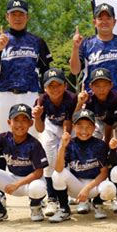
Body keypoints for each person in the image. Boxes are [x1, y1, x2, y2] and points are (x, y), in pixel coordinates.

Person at [0, 0, 52, 198]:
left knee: (33, 141)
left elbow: (48, 71)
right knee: (2, 142)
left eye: (21, 14)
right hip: (4, 94)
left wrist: (44, 98)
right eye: (14, 14)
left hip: (30, 94)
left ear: (27, 17)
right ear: (7, 16)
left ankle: (36, 194)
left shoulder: (37, 41)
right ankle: (0, 192)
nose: (17, 17)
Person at [0, 104, 48, 224]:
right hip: (12, 179)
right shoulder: (3, 138)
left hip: (28, 183)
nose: (20, 124)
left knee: (38, 187)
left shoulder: (34, 144)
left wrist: (17, 184)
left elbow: (39, 172)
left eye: (24, 120)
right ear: (9, 122)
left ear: (31, 123)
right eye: (16, 120)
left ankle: (35, 206)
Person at [49, 109, 117, 223]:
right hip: (76, 186)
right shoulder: (70, 144)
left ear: (94, 128)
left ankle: (97, 203)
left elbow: (104, 172)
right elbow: (59, 168)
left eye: (88, 126)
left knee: (109, 188)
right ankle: (64, 209)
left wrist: (88, 188)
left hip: (94, 186)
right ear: (74, 127)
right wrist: (62, 147)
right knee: (57, 175)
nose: (84, 131)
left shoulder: (99, 145)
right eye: (80, 126)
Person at [32, 68, 77, 217]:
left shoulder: (71, 98)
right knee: (49, 160)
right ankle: (52, 198)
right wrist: (37, 117)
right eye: (50, 85)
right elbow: (40, 128)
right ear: (45, 88)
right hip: (49, 126)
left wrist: (65, 138)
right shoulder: (41, 100)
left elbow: (68, 121)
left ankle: (70, 193)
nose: (55, 88)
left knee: (70, 157)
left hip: (67, 126)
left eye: (58, 84)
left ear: (65, 85)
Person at [70, 2, 117, 95]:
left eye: (108, 18)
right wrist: (75, 47)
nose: (104, 22)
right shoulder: (86, 43)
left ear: (114, 22)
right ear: (94, 22)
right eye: (100, 19)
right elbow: (74, 70)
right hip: (92, 99)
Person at [75, 67, 117, 144]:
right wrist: (80, 103)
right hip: (100, 121)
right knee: (93, 139)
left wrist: (106, 146)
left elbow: (109, 124)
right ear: (91, 86)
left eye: (105, 85)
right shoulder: (88, 99)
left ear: (111, 85)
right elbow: (76, 119)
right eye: (97, 86)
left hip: (116, 121)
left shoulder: (114, 98)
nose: (101, 89)